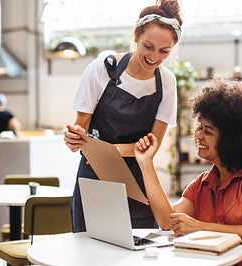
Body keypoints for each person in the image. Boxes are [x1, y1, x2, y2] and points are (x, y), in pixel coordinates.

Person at [135, 76, 242, 265]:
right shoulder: (205, 182)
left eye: (208, 131)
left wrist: (199, 228)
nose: (199, 135)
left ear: (234, 139)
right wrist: (146, 163)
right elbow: (167, 222)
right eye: (200, 128)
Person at [63, 0, 182, 232]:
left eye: (164, 51)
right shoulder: (102, 69)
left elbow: (153, 144)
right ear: (136, 37)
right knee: (90, 248)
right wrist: (74, 138)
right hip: (94, 174)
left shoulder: (166, 82)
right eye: (148, 46)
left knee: (138, 249)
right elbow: (80, 129)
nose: (154, 56)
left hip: (139, 179)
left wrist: (111, 151)